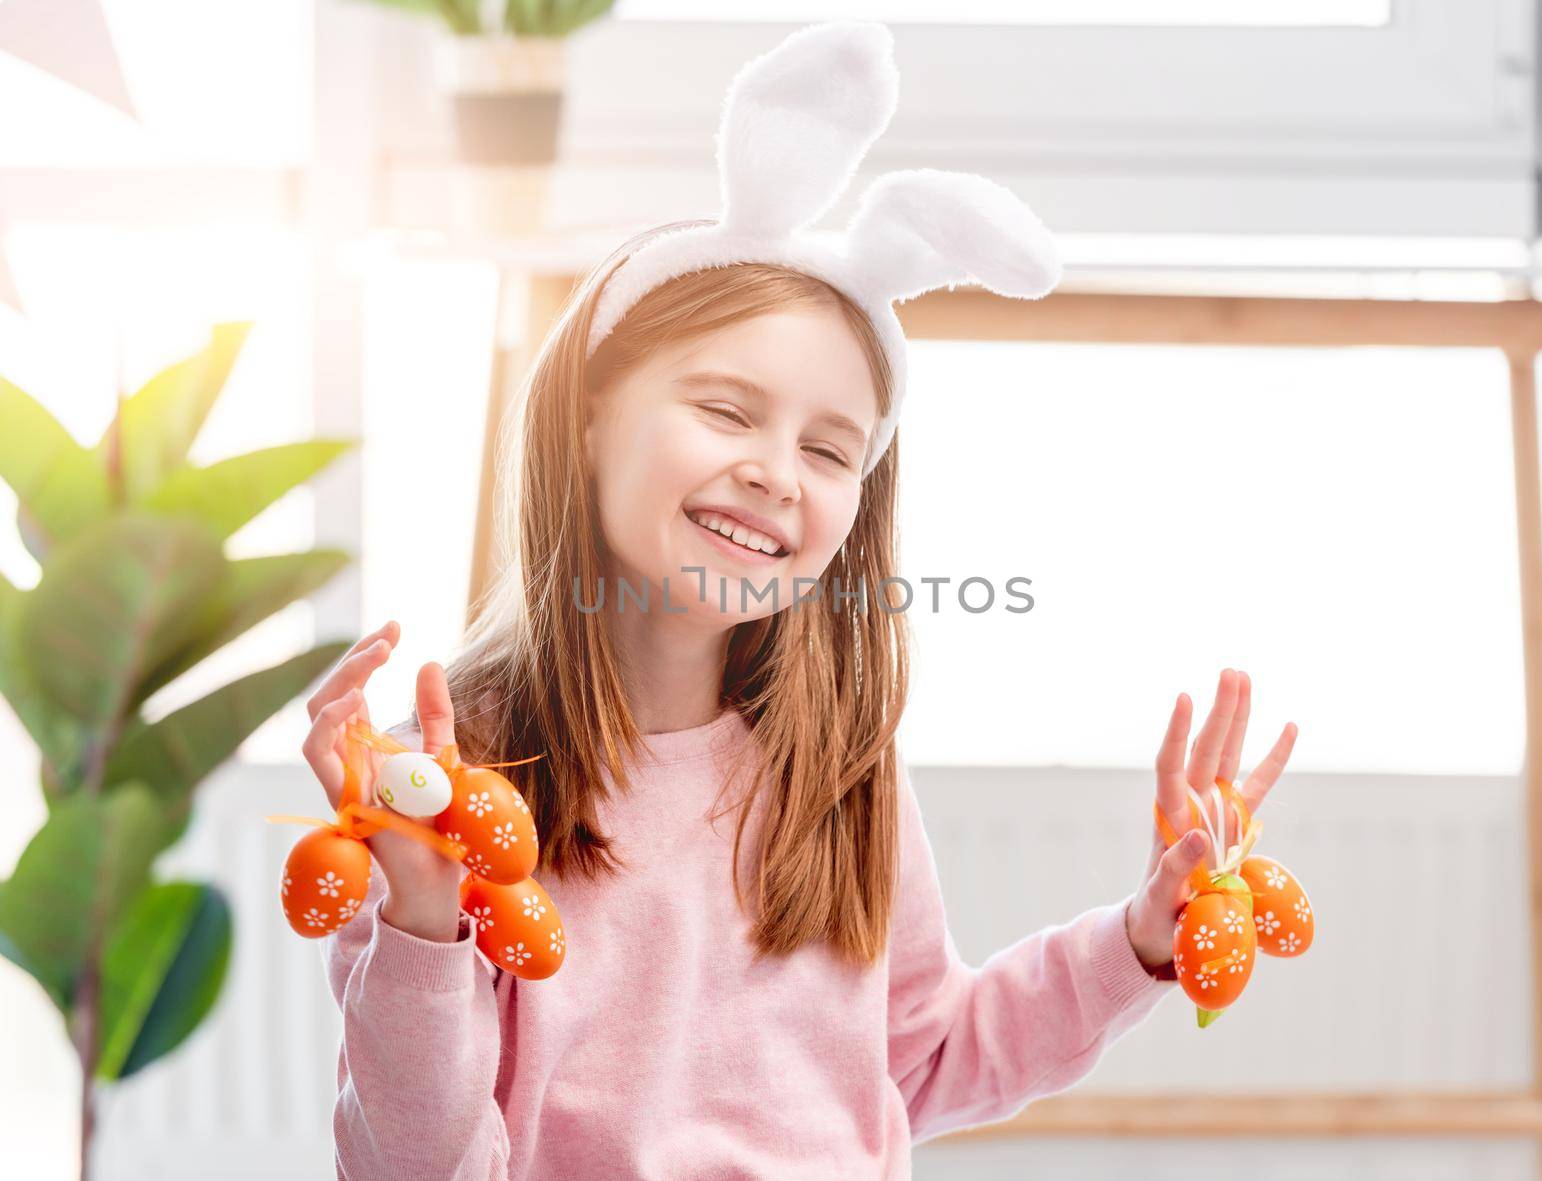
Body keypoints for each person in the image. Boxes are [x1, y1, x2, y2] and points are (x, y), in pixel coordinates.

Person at [301, 19, 1298, 1180]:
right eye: (725, 411)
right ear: (585, 415)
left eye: (830, 451)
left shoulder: (840, 761)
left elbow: (919, 1062)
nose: (777, 471)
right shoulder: (457, 775)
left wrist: (1139, 936)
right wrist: (421, 924)